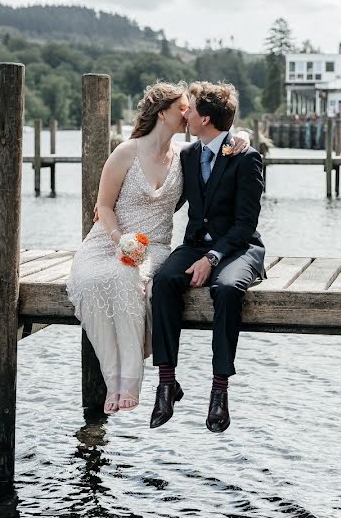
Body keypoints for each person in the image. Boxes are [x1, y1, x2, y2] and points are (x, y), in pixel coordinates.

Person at [65, 81, 250, 415]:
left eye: (189, 108)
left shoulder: (185, 157)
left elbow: (221, 151)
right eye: (181, 107)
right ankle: (113, 378)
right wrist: (119, 237)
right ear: (163, 113)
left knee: (125, 277)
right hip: (111, 240)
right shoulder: (125, 152)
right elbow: (103, 206)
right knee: (93, 283)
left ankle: (131, 382)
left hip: (154, 246)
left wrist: (241, 137)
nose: (187, 113)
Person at [149, 81, 266, 433]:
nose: (186, 114)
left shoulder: (246, 157)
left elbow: (246, 224)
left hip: (238, 248)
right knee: (164, 281)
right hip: (195, 243)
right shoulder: (188, 155)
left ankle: (219, 389)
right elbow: (169, 197)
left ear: (207, 118)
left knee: (228, 290)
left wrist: (213, 258)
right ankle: (167, 382)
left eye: (192, 109)